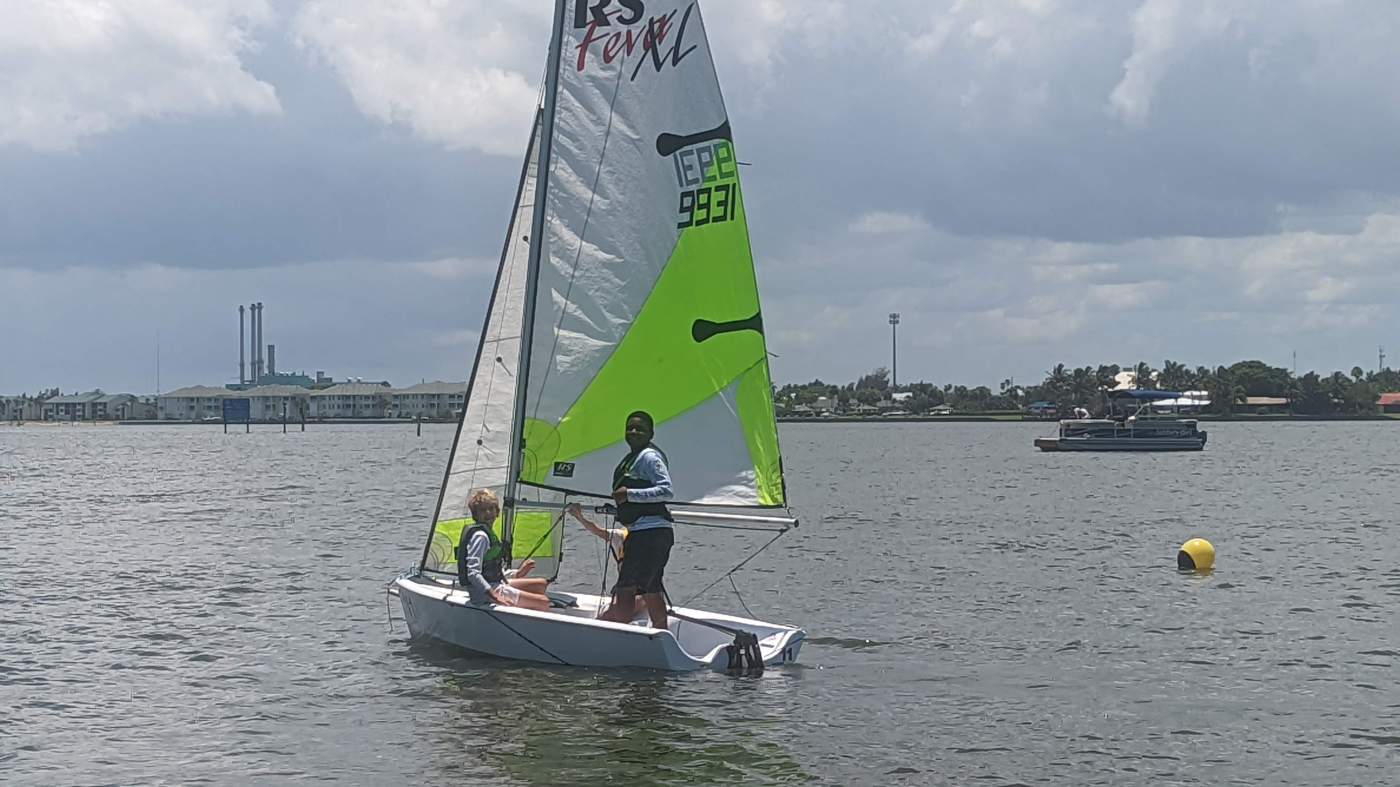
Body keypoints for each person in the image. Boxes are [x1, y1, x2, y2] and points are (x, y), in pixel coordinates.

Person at [598, 410, 674, 629]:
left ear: (650, 433)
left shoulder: (649, 457)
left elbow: (666, 491)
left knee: (626, 588)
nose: (633, 431)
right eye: (629, 427)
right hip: (642, 532)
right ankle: (660, 632)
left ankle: (619, 633)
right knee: (651, 587)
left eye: (639, 429)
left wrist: (630, 494)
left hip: (651, 533)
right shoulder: (633, 458)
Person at [457, 489, 551, 611]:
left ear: (497, 512)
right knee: (544, 602)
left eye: (491, 509)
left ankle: (523, 601)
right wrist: (495, 596)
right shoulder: (481, 537)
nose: (488, 513)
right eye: (482, 510)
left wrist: (517, 573)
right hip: (484, 593)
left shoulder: (488, 533)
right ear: (475, 515)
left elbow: (493, 569)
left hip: (495, 583)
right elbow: (473, 574)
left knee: (541, 584)